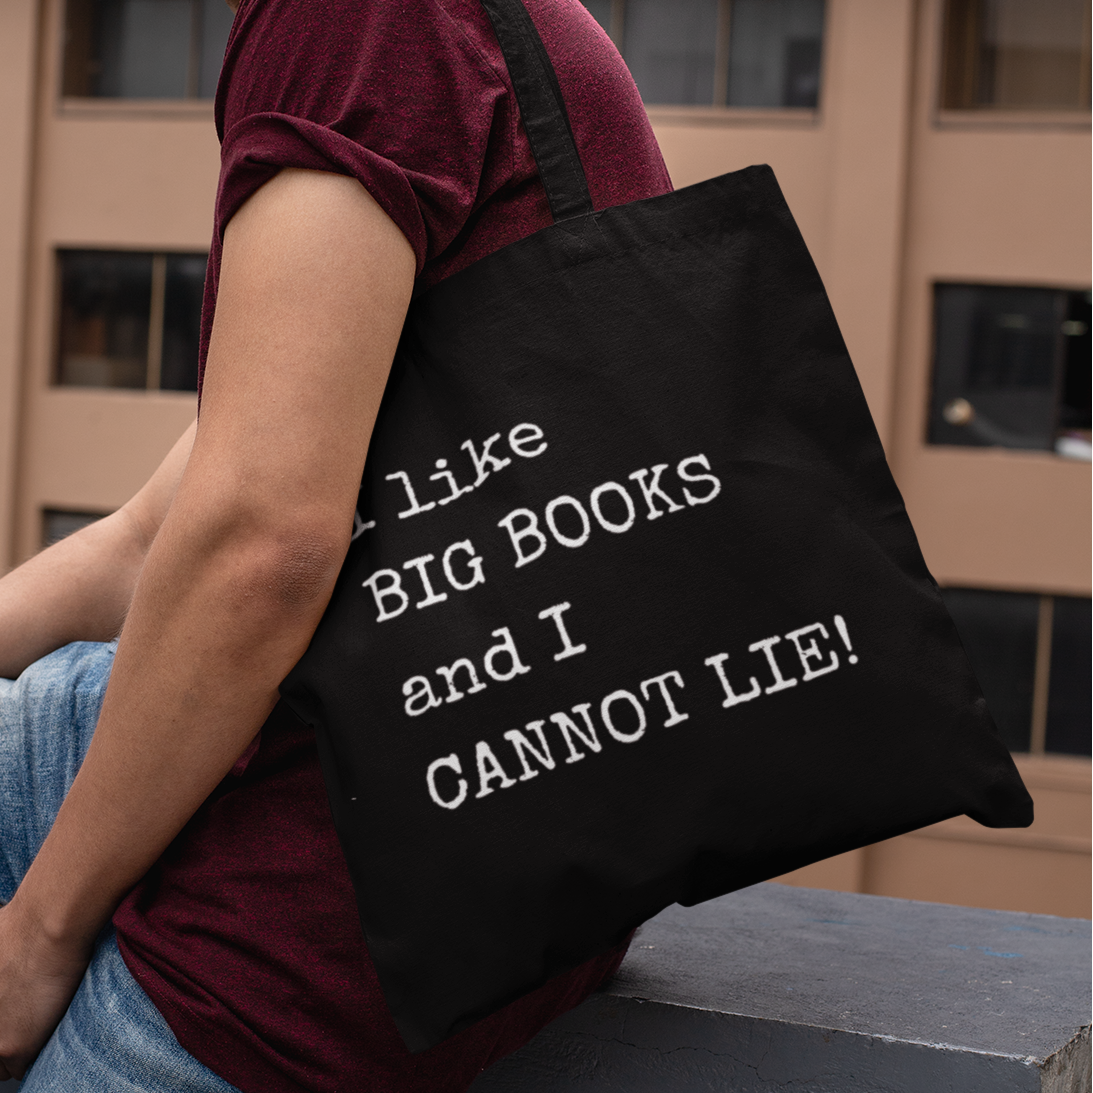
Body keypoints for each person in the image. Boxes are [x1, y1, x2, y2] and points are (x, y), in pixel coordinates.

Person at [0, 0, 671, 1087]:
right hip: (505, 848)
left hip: (307, 918)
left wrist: (37, 935)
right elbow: (153, 541)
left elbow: (263, 549)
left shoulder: (353, 18)